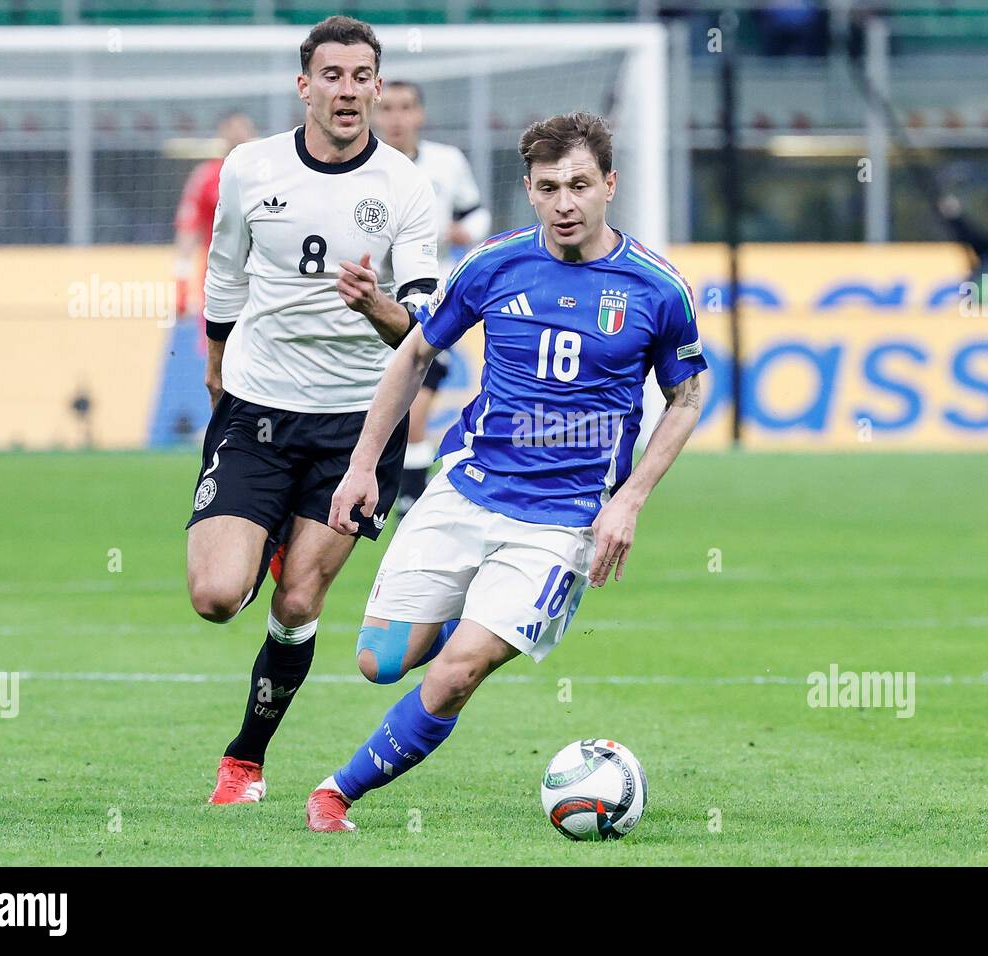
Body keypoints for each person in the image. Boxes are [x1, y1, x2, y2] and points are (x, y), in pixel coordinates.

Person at [303, 111, 707, 833]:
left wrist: (631, 499)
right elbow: (416, 353)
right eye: (549, 187)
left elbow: (687, 395)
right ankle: (475, 605)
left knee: (456, 672)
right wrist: (364, 467)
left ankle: (336, 792)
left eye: (580, 185)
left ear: (610, 185)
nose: (565, 202)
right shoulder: (494, 263)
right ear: (529, 189)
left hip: (562, 520)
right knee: (379, 662)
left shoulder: (655, 287)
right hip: (467, 490)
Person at [186, 15, 439, 805]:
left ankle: (245, 761)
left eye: (362, 76)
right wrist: (217, 369)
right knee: (218, 597)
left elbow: (427, 329)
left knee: (298, 600)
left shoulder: (406, 186)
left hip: (357, 426)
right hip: (257, 407)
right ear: (305, 86)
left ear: (375, 85)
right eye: (332, 75)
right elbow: (224, 276)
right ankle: (262, 541)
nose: (348, 91)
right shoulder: (249, 168)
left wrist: (377, 307)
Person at [376, 79, 492, 516]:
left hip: (433, 301)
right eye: (387, 108)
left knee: (417, 404)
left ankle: (408, 502)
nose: (397, 118)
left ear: (420, 114)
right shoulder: (364, 167)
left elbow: (475, 211)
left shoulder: (447, 163)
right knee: (389, 412)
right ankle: (398, 496)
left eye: (406, 107)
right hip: (373, 305)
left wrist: (469, 232)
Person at [173, 111, 257, 336]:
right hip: (218, 280)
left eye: (243, 129)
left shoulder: (266, 177)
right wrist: (181, 279)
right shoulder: (207, 176)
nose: (239, 135)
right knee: (218, 356)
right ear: (223, 134)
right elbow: (188, 229)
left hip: (261, 280)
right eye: (233, 129)